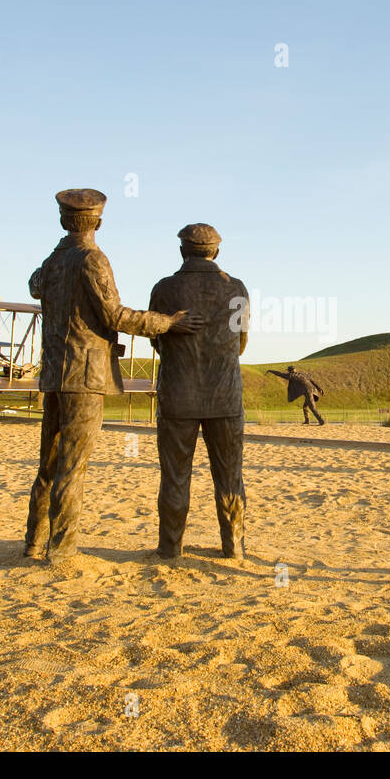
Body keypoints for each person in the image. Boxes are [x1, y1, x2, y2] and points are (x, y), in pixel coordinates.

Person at [24, 188, 202, 562]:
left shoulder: (52, 261)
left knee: (48, 466)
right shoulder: (93, 259)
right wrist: (166, 323)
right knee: (72, 466)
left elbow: (34, 285)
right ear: (99, 222)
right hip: (84, 376)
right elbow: (114, 315)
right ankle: (61, 551)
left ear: (62, 220)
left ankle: (32, 543)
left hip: (54, 373)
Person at [147, 223, 250, 559]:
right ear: (216, 251)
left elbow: (156, 338)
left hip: (178, 397)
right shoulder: (235, 288)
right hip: (225, 396)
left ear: (182, 251)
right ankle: (234, 549)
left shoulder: (164, 289)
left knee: (175, 476)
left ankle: (170, 548)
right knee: (230, 477)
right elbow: (240, 345)